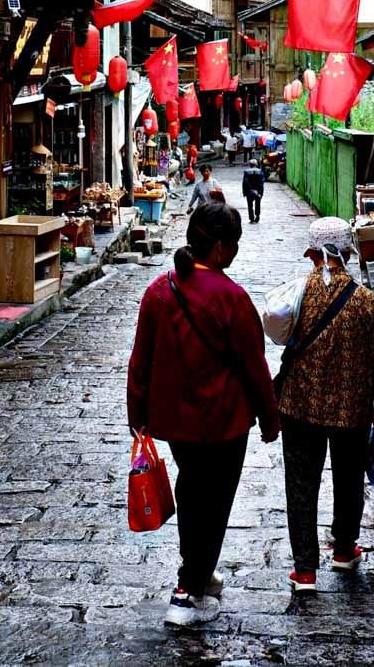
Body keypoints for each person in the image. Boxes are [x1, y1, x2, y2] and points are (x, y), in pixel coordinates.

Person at [128, 202, 280, 626]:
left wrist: (136, 415)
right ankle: (186, 590)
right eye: (232, 246)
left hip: (176, 422)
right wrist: (270, 419)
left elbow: (140, 359)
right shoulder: (232, 298)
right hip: (224, 421)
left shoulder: (160, 290)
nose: (234, 254)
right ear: (216, 249)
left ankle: (198, 571)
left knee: (193, 493)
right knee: (213, 503)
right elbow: (255, 367)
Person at [276, 217, 374, 593]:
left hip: (300, 408)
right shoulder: (363, 299)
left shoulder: (296, 293)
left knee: (301, 485)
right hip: (351, 410)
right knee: (348, 481)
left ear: (312, 253)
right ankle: (344, 549)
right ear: (346, 252)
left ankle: (306, 570)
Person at [242, 159, 265, 224]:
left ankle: (251, 218)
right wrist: (261, 192)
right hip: (258, 190)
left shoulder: (246, 171)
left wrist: (244, 192)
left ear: (250, 165)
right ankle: (257, 215)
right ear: (256, 164)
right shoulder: (260, 171)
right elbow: (262, 182)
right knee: (257, 204)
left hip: (249, 191)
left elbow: (245, 182)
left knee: (250, 205)